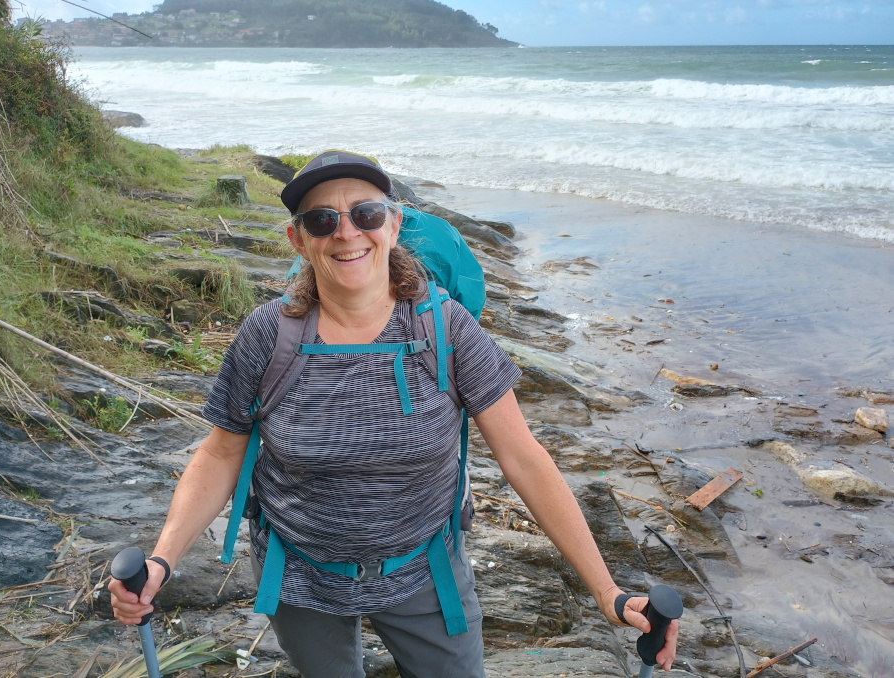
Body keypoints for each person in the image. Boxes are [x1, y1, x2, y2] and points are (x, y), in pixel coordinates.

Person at [110, 150, 679, 677]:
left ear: (394, 223)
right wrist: (162, 560)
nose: (347, 232)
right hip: (298, 573)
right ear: (298, 239)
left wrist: (608, 592)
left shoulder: (447, 330)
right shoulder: (266, 335)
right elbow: (220, 455)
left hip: (426, 570)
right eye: (322, 221)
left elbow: (524, 458)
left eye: (366, 213)